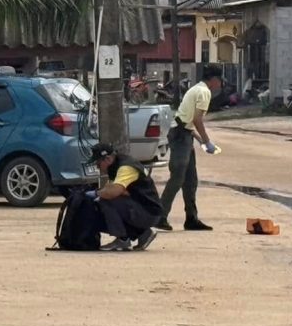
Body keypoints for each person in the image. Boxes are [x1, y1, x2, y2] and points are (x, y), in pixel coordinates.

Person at [158, 65, 223, 232]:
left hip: (184, 134)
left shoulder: (196, 89)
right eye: (219, 81)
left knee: (191, 180)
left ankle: (191, 219)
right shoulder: (204, 92)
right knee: (178, 177)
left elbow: (185, 120)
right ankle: (159, 216)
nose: (220, 84)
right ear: (214, 80)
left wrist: (201, 141)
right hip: (180, 136)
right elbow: (197, 119)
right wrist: (207, 141)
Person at [87, 143, 163, 252]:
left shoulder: (126, 167)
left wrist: (96, 193)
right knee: (100, 206)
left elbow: (113, 192)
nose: (98, 167)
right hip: (141, 208)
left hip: (149, 212)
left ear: (107, 159)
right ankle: (143, 234)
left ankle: (123, 240)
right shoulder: (115, 166)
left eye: (98, 164)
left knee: (106, 201)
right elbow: (116, 190)